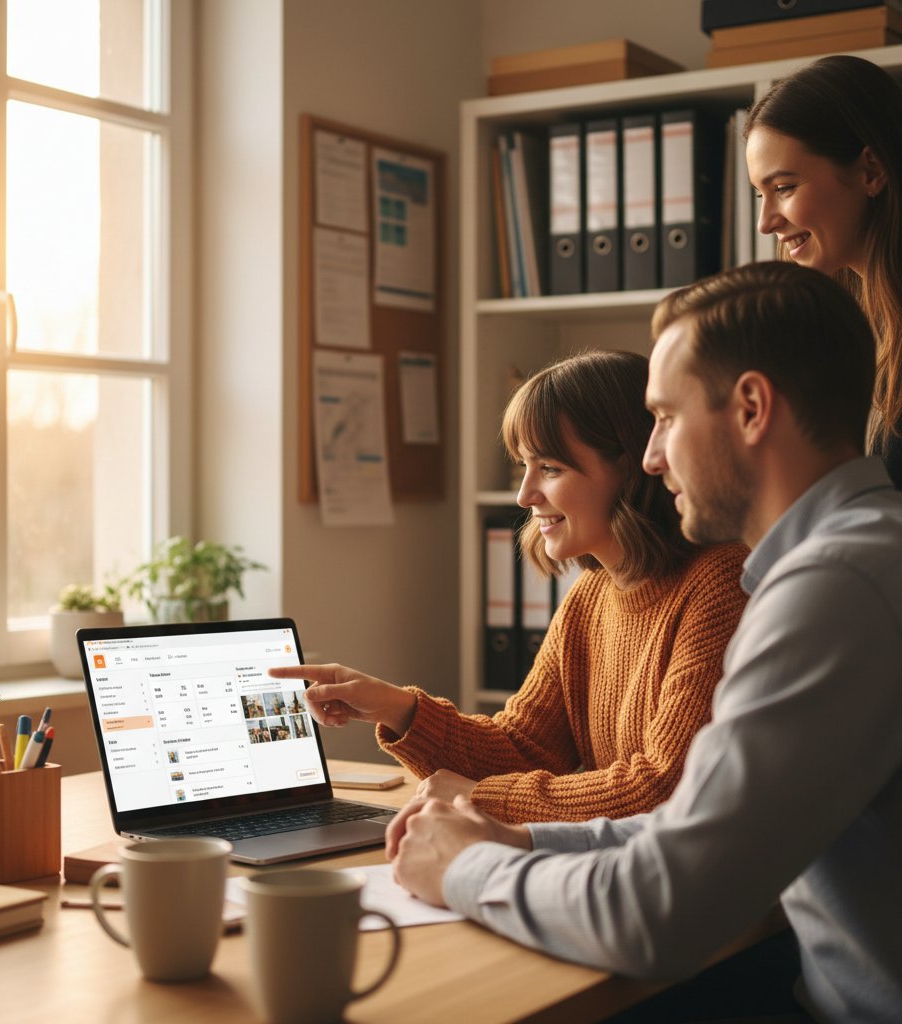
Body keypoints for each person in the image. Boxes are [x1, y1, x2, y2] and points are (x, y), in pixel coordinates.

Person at [389, 261, 902, 1024]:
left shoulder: (833, 587)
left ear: (752, 408)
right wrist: (519, 838)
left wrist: (469, 865)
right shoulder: (855, 555)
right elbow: (695, 819)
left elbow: (656, 915)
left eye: (664, 417)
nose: (652, 460)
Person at [271, 350, 749, 824]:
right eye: (524, 466)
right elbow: (523, 749)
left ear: (629, 468)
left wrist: (480, 797)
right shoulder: (591, 597)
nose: (525, 495)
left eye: (551, 468)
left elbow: (664, 789)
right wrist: (397, 707)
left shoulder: (719, 584)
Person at [744, 53, 902, 486]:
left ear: (871, 171)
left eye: (785, 188)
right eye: (761, 195)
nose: (766, 222)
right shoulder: (851, 337)